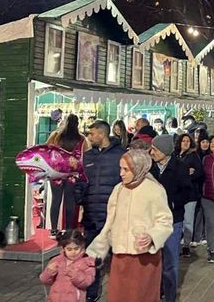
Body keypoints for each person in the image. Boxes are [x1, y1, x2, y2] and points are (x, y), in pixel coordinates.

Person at [87, 149, 173, 302]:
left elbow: (165, 221)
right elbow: (109, 225)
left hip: (145, 260)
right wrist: (94, 253)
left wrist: (152, 236)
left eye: (126, 169)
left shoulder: (154, 190)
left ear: (138, 168)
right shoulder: (118, 190)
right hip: (120, 259)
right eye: (120, 168)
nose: (121, 173)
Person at [76, 120, 126, 302]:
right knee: (91, 257)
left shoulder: (121, 155)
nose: (89, 137)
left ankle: (121, 294)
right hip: (91, 216)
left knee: (118, 258)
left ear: (102, 134)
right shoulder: (87, 157)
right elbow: (82, 182)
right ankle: (91, 293)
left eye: (91, 134)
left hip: (114, 216)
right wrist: (78, 197)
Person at [149, 136, 192, 302]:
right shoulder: (150, 168)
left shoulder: (179, 167)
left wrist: (174, 203)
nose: (152, 152)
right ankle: (157, 291)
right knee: (154, 259)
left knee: (170, 261)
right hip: (153, 221)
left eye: (156, 150)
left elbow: (188, 192)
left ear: (165, 151)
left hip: (173, 220)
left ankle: (170, 296)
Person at [46, 114, 89, 236]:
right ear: (77, 124)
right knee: (70, 201)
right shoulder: (82, 139)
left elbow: (47, 149)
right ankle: (69, 229)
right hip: (72, 174)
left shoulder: (55, 136)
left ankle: (54, 229)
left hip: (56, 173)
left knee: (56, 200)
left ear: (65, 123)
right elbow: (86, 155)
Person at [40, 229, 96, 302]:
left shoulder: (87, 262)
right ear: (63, 249)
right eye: (69, 249)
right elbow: (45, 281)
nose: (73, 252)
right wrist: (49, 272)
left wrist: (76, 276)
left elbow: (88, 281)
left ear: (82, 247)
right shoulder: (57, 260)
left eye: (76, 248)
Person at [176, 133, 203, 257]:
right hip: (178, 193)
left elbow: (199, 172)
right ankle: (178, 242)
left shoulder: (193, 156)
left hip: (190, 193)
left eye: (187, 141)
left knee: (188, 220)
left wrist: (188, 174)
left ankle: (186, 245)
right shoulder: (175, 155)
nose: (185, 143)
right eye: (183, 141)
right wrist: (186, 172)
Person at [191, 132, 211, 247]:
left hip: (207, 187)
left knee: (205, 212)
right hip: (197, 188)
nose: (205, 144)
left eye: (207, 142)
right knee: (197, 211)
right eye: (203, 142)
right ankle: (195, 235)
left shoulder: (210, 155)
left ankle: (204, 235)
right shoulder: (195, 155)